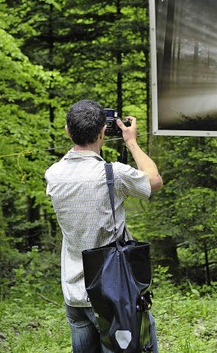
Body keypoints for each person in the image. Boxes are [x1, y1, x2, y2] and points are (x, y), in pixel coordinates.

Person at [45, 99, 163, 353]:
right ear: (102, 132)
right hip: (114, 293)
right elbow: (154, 180)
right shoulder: (114, 174)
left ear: (67, 131)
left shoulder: (53, 174)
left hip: (75, 292)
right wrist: (131, 141)